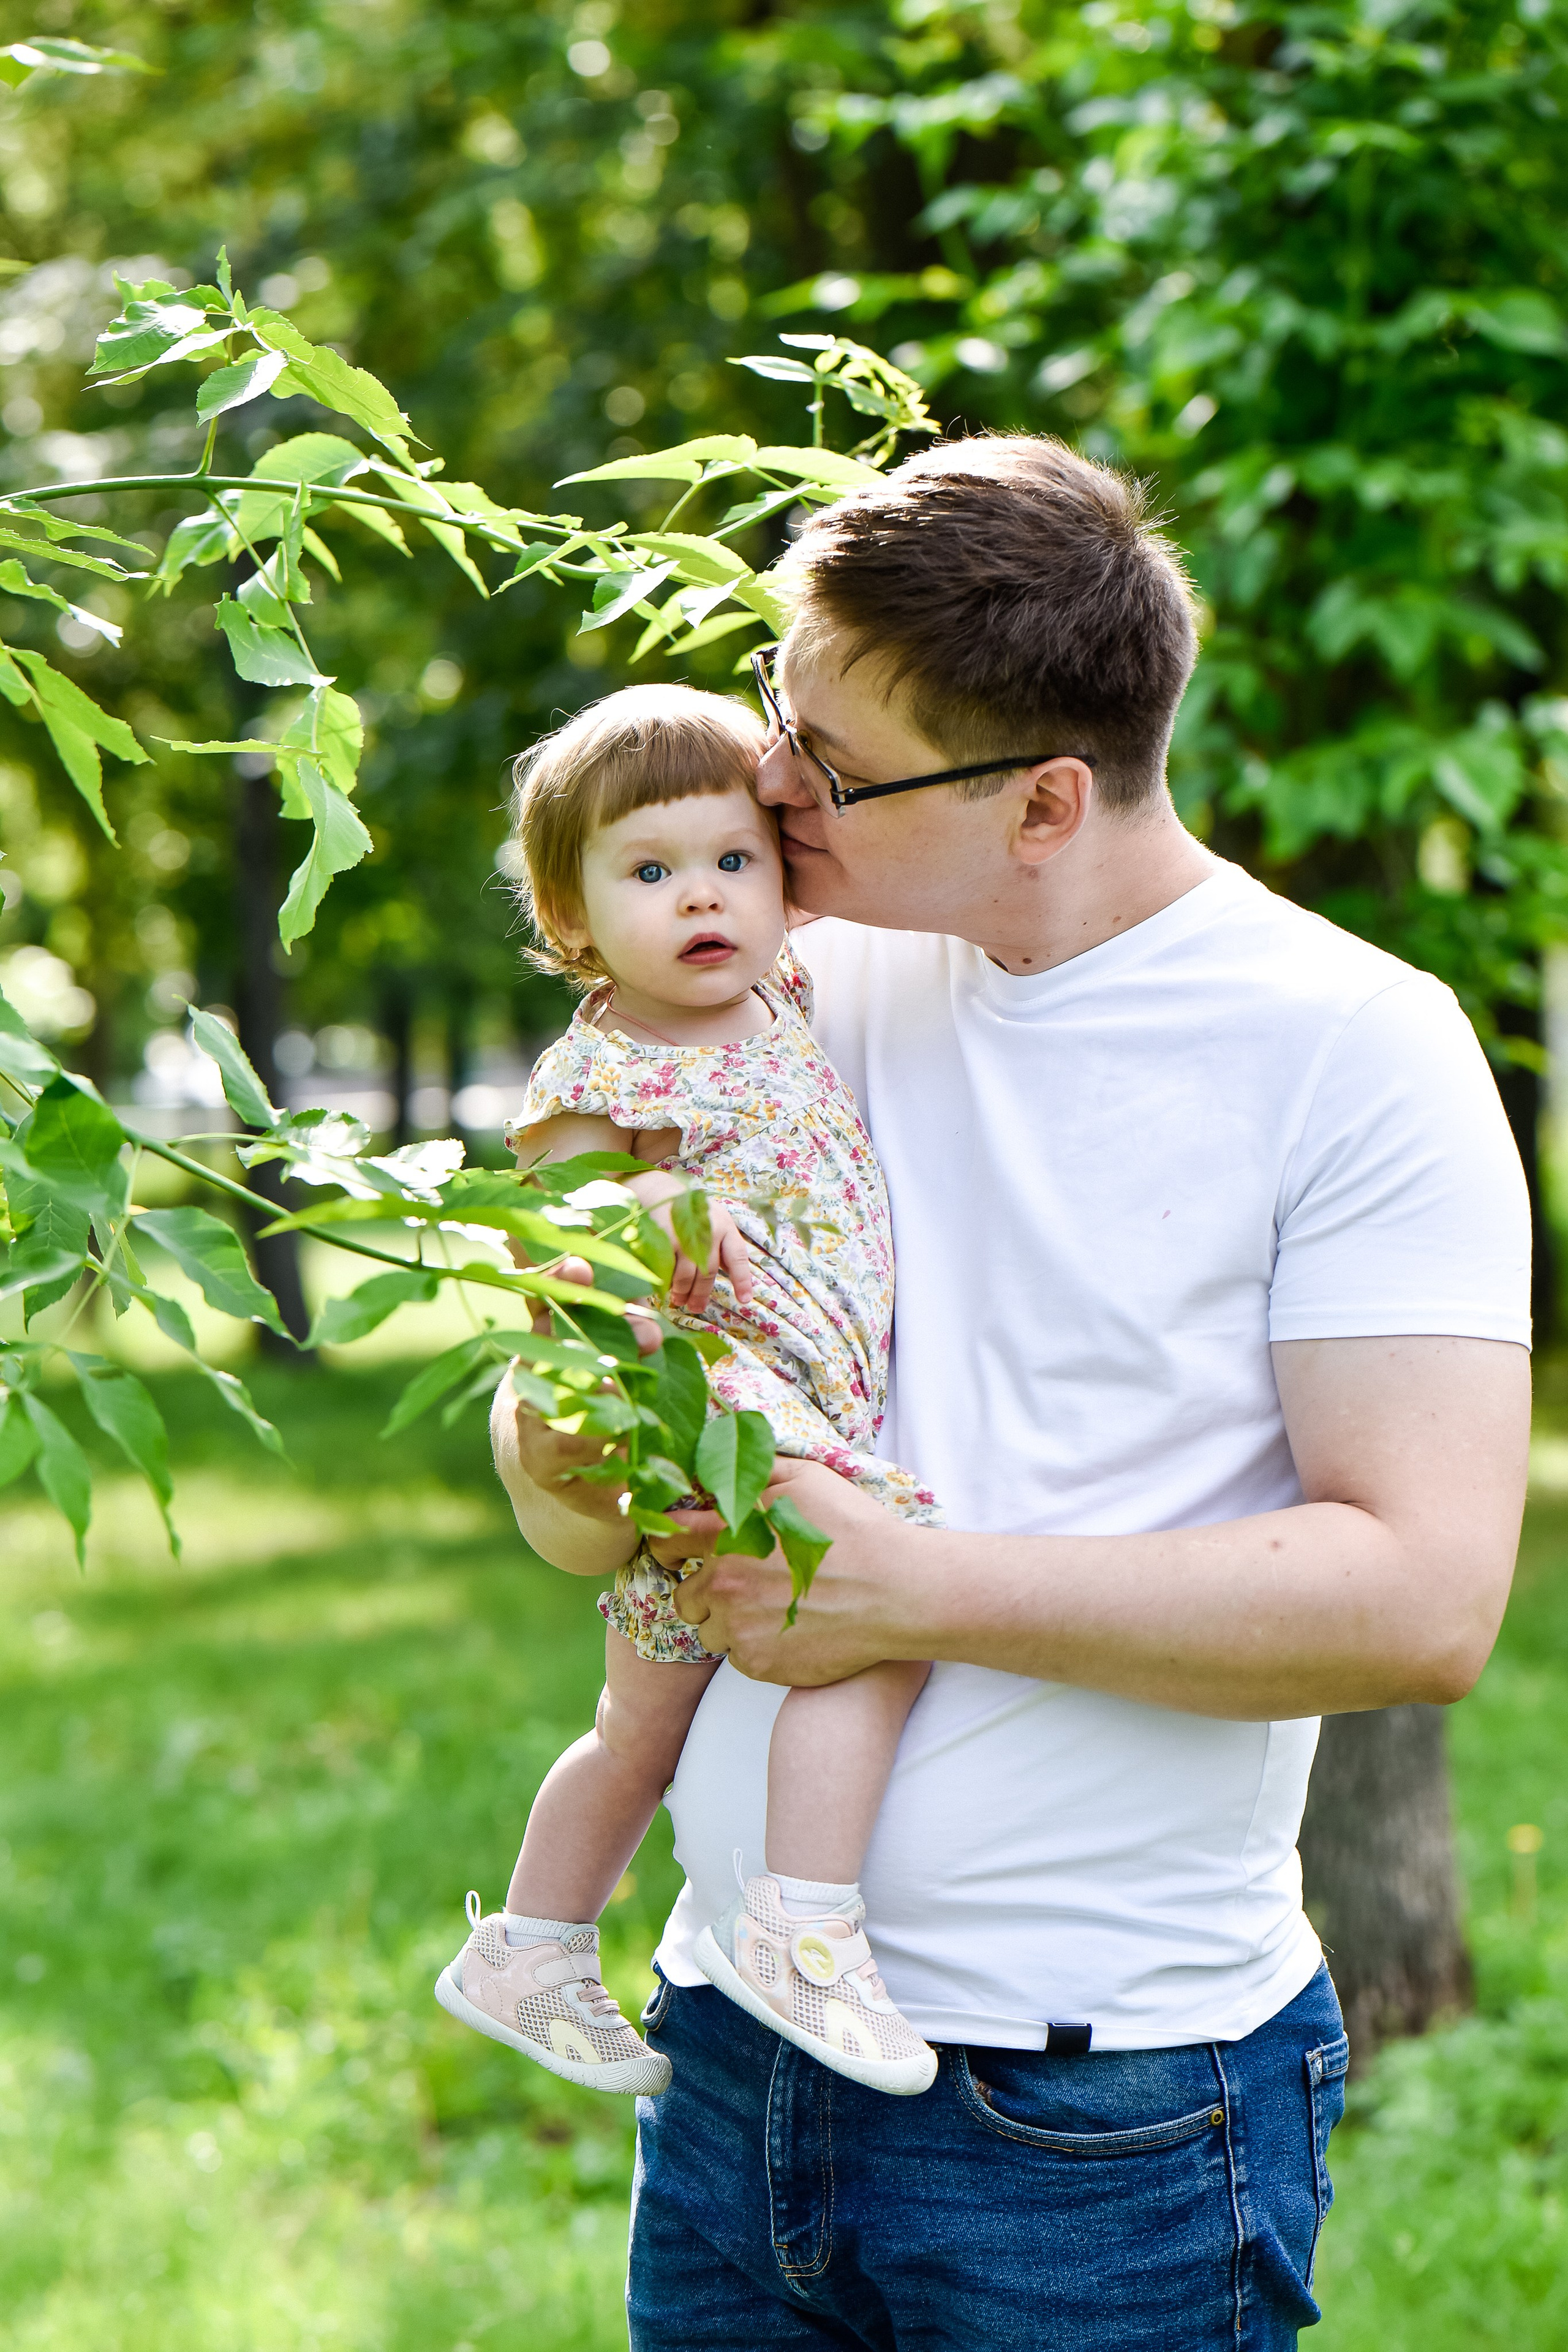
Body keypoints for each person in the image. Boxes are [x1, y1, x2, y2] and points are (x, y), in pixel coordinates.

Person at [492, 435, 1532, 2350]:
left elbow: (1424, 1598)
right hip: (730, 2061)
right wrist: (570, 1422)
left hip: (1093, 2127)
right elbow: (568, 1498)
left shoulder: (1355, 1051)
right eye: (775, 719)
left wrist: (920, 1588)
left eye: (831, 764)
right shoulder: (789, 990)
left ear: (1044, 798)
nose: (770, 790)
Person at [436, 684, 943, 2106]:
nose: (701, 899)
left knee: (639, 1730)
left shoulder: (780, 994)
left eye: (732, 861)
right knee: (884, 1608)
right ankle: (803, 1921)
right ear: (572, 921)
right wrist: (642, 1200)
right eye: (648, 874)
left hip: (777, 1415)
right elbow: (565, 1275)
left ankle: (527, 1946)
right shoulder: (598, 1074)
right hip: (711, 1410)